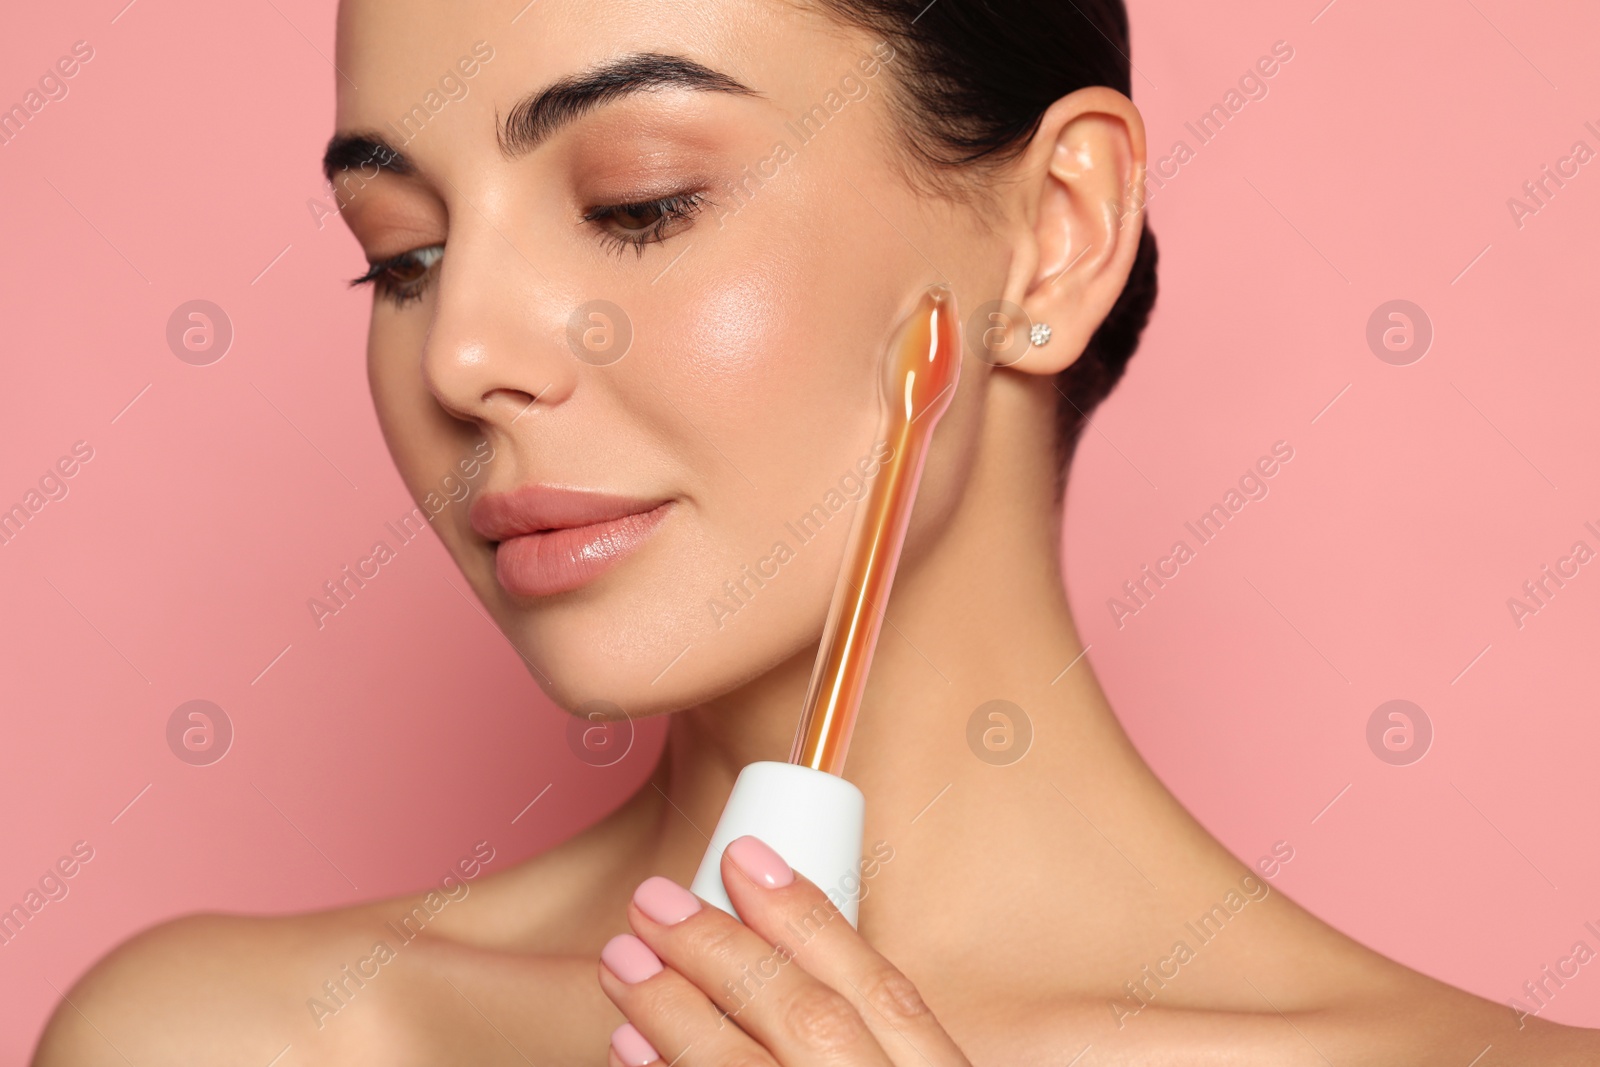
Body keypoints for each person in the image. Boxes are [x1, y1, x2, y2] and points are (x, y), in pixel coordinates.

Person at [34, 0, 1600, 1063]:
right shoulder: (232, 1039)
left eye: (639, 201)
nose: (459, 358)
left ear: (1055, 239)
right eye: (404, 256)